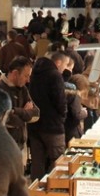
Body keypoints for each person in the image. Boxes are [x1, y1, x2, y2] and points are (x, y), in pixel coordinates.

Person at [28, 51, 70, 179]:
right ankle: (53, 188)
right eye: (66, 64)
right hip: (53, 125)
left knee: (37, 162)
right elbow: (60, 100)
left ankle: (36, 189)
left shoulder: (34, 73)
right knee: (58, 160)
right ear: (58, 62)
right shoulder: (55, 75)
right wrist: (62, 117)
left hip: (34, 124)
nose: (65, 68)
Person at [0, 56, 39, 157]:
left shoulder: (23, 89)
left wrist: (16, 111)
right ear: (15, 73)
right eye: (26, 76)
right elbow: (3, 120)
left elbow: (36, 114)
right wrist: (25, 113)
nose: (28, 80)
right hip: (4, 148)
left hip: (21, 145)